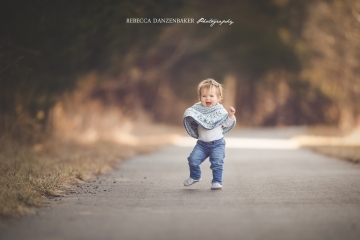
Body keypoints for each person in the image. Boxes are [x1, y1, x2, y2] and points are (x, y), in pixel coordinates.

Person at [183, 78, 236, 190]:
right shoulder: (197, 110)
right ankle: (195, 176)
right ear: (200, 97)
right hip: (201, 144)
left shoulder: (220, 111)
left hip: (217, 144)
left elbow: (226, 123)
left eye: (211, 96)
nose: (208, 98)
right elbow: (191, 115)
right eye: (204, 96)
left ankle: (217, 181)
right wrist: (188, 116)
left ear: (218, 98)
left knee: (217, 163)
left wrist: (230, 116)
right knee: (192, 160)